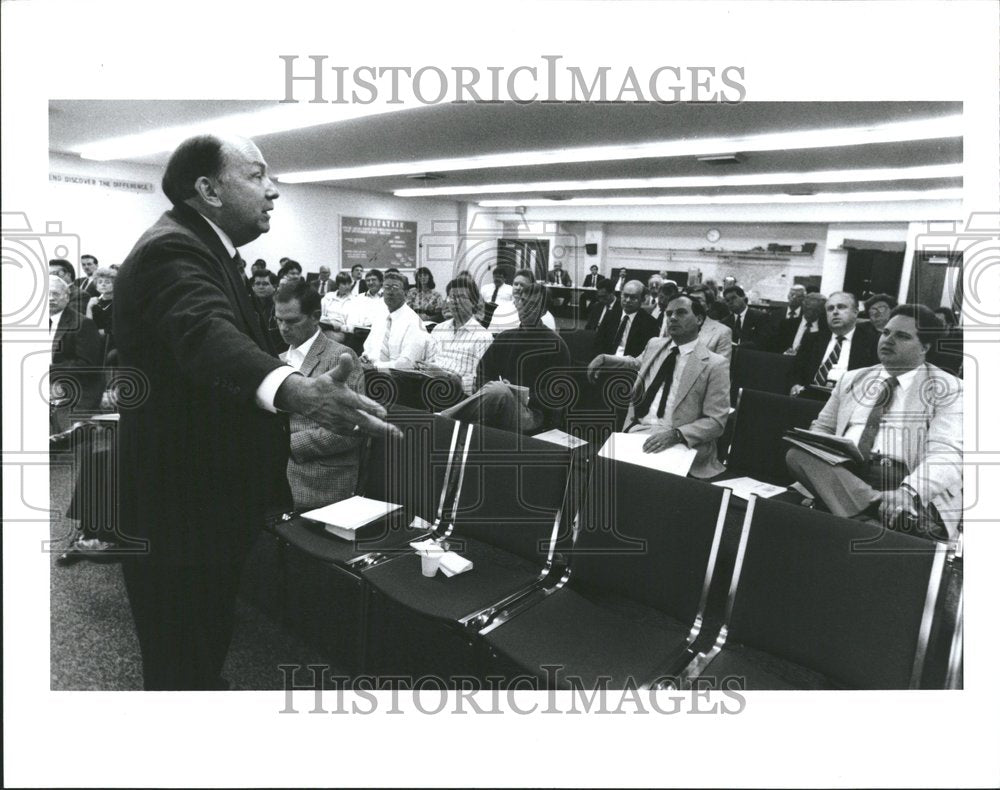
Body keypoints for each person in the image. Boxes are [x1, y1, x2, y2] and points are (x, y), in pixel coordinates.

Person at [113, 133, 393, 691]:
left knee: (197, 655)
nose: (273, 191)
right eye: (257, 176)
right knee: (182, 666)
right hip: (181, 515)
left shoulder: (208, 250)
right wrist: (296, 390)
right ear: (208, 189)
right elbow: (206, 334)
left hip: (198, 509)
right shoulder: (174, 249)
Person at [786, 305, 961, 541]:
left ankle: (864, 515)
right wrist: (820, 447)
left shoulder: (949, 389)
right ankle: (884, 514)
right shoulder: (852, 379)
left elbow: (947, 454)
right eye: (886, 332)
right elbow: (822, 428)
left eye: (902, 336)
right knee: (798, 455)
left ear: (925, 347)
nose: (888, 340)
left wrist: (908, 492)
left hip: (905, 478)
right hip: (848, 471)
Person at [587, 294, 730, 478]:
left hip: (681, 441)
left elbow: (716, 422)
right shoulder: (655, 345)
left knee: (645, 481)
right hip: (638, 429)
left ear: (699, 319)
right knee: (601, 475)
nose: (672, 318)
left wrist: (676, 435)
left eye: (681, 313)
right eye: (669, 313)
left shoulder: (715, 364)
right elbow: (636, 362)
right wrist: (605, 358)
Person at [274, 279, 365, 510]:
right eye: (278, 320)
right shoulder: (278, 359)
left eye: (292, 321)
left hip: (321, 481)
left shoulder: (341, 357)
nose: (283, 328)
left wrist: (284, 444)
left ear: (316, 316)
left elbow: (349, 430)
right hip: (279, 474)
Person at [442, 282, 569, 433]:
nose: (526, 308)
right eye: (523, 301)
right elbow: (483, 370)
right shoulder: (506, 336)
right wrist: (499, 389)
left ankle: (442, 420)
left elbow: (557, 393)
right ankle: (448, 427)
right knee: (498, 391)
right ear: (516, 304)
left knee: (499, 391)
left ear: (543, 311)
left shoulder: (556, 345)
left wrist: (524, 396)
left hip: (535, 415)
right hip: (502, 401)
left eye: (533, 304)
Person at [790, 291, 879, 396]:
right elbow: (795, 372)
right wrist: (795, 385)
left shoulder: (873, 342)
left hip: (848, 400)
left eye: (841, 307)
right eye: (830, 309)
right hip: (810, 397)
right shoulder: (812, 339)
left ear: (855, 312)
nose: (835, 312)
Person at [417, 276, 494, 395]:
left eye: (461, 297)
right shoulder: (439, 329)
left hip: (457, 393)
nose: (455, 301)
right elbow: (428, 362)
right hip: (428, 384)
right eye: (452, 297)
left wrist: (446, 376)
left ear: (473, 302)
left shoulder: (483, 337)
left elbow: (475, 384)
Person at [49, 275, 104, 434]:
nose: (51, 298)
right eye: (47, 294)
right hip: (44, 385)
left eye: (56, 294)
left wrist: (49, 371)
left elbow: (87, 365)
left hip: (76, 389)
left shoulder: (82, 324)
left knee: (66, 438)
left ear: (67, 297)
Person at [360, 271, 429, 369]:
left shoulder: (414, 323)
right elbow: (369, 348)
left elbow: (407, 364)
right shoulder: (380, 317)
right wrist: (365, 357)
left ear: (406, 293)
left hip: (397, 378)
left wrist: (375, 367)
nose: (389, 292)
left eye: (395, 287)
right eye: (386, 287)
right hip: (371, 373)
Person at [592, 280, 658, 359]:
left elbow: (646, 354)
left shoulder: (649, 323)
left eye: (633, 297)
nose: (627, 300)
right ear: (621, 295)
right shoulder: (610, 315)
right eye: (625, 296)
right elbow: (598, 342)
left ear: (643, 299)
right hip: (607, 361)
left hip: (630, 365)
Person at [679, 285, 733, 361]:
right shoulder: (678, 326)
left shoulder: (722, 332)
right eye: (690, 299)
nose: (692, 304)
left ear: (708, 306)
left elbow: (721, 367)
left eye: (698, 300)